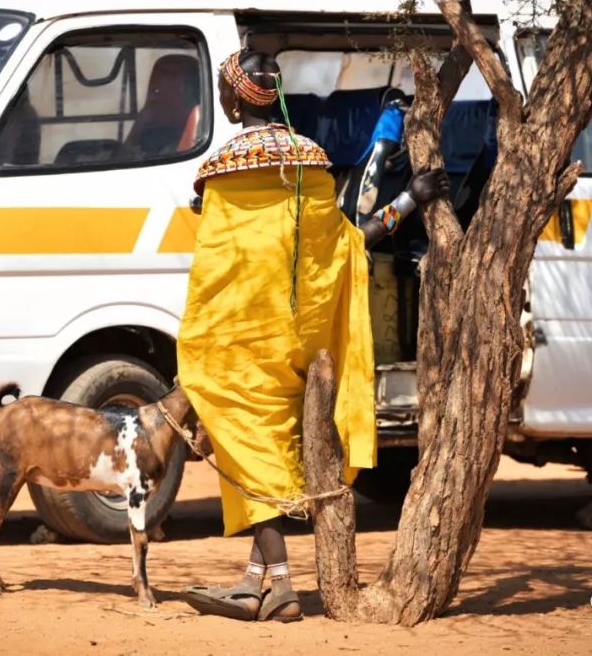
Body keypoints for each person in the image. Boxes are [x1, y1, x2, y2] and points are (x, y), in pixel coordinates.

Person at [177, 49, 448, 622]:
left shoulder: (222, 171)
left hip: (239, 336)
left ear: (232, 100)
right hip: (302, 334)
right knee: (273, 445)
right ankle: (253, 580)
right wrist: (410, 200)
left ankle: (279, 585)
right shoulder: (312, 163)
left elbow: (220, 261)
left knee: (249, 443)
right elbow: (352, 242)